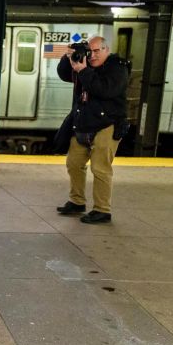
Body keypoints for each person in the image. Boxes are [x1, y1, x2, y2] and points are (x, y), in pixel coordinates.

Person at [56, 36, 128, 224]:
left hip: (107, 124)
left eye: (97, 51)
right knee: (73, 163)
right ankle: (77, 202)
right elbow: (64, 75)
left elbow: (104, 90)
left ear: (106, 50)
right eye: (90, 51)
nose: (93, 55)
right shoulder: (85, 66)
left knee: (100, 168)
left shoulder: (117, 68)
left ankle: (102, 210)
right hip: (83, 123)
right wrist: (69, 58)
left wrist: (84, 70)